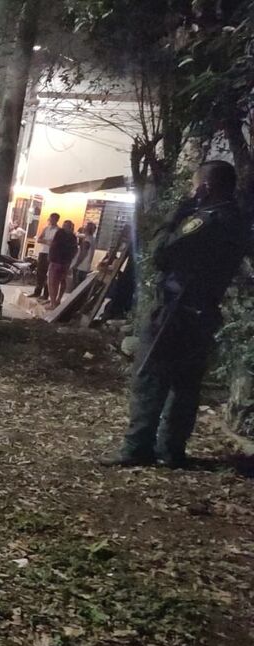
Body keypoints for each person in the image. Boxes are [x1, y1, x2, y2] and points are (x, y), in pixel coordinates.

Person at [103, 161, 250, 468]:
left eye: (193, 186)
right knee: (185, 385)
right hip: (205, 311)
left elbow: (159, 253)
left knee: (149, 378)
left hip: (174, 311)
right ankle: (171, 450)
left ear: (205, 188)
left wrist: (178, 213)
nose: (190, 190)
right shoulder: (236, 221)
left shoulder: (204, 221)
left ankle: (137, 447)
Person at [46, 219, 78, 308]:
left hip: (56, 261)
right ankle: (58, 299)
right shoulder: (73, 237)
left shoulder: (60, 233)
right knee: (62, 281)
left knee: (52, 282)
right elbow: (75, 250)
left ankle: (52, 303)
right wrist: (70, 260)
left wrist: (50, 256)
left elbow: (54, 245)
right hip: (66, 263)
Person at [28, 212, 60, 299]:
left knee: (48, 274)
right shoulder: (46, 228)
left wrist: (48, 241)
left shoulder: (58, 230)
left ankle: (46, 294)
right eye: (50, 218)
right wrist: (47, 241)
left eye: (52, 218)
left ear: (56, 219)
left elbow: (55, 243)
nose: (51, 220)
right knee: (40, 273)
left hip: (51, 254)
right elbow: (39, 239)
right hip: (43, 252)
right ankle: (37, 291)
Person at [71, 222, 97, 288]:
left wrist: (76, 265)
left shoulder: (87, 241)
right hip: (86, 267)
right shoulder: (92, 239)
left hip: (80, 267)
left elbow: (83, 254)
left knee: (76, 287)